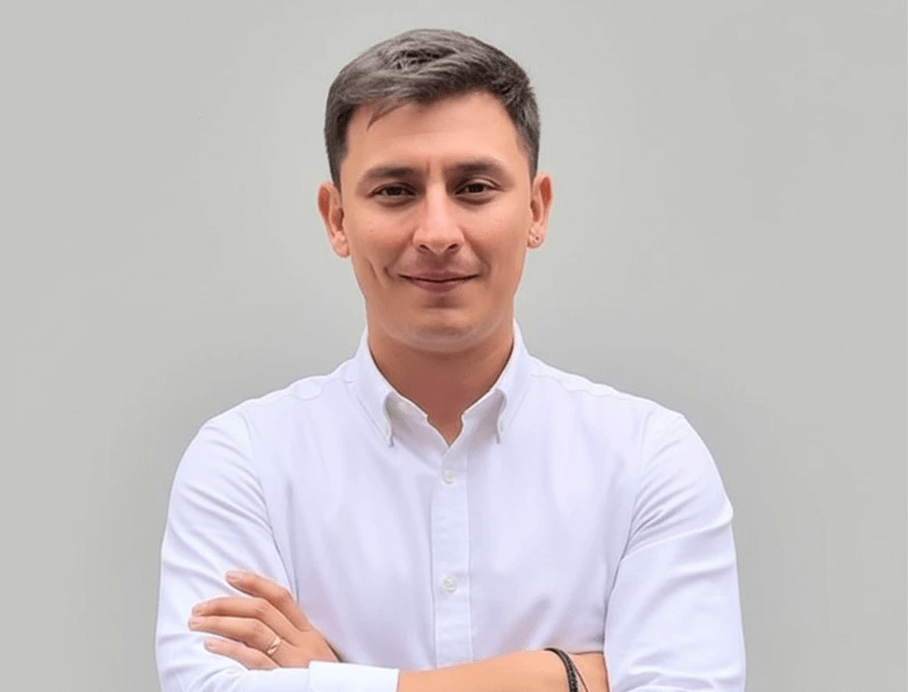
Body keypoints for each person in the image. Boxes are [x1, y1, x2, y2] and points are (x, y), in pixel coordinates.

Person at [156, 28, 746, 692]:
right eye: (395, 191)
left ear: (536, 209)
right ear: (337, 219)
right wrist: (565, 677)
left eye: (474, 188)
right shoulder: (245, 463)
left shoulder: (647, 461)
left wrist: (338, 681)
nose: (437, 233)